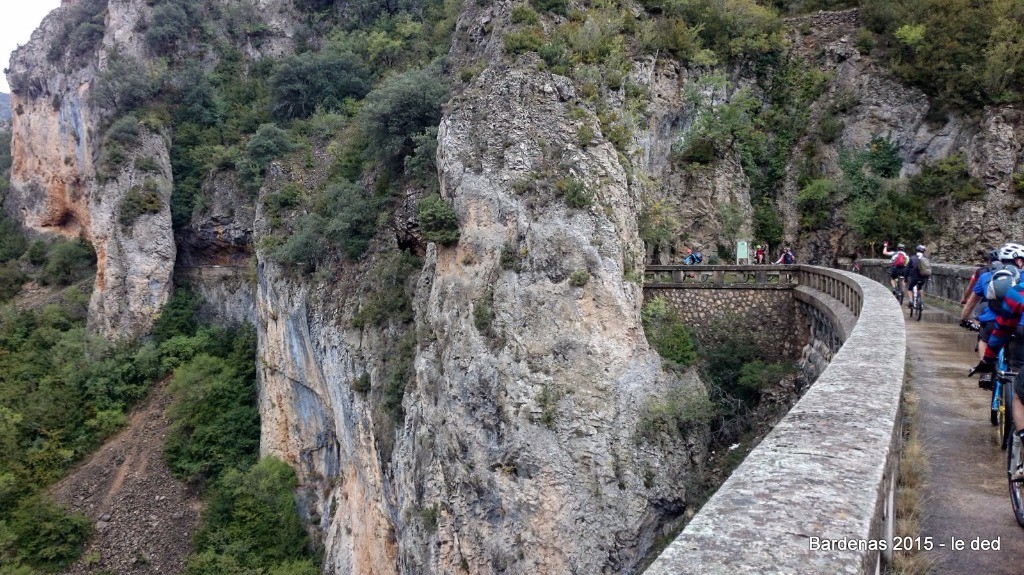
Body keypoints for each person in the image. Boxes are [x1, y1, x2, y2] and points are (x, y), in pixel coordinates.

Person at [970, 244, 1024, 480]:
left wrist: (988, 360)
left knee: (1020, 394)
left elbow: (1001, 331)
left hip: (1016, 340)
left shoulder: (1017, 291)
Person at [960, 244, 1023, 386]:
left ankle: (985, 373)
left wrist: (963, 319)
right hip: (1018, 323)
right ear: (1019, 261)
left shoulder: (987, 276)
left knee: (984, 338)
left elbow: (970, 303)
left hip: (992, 322)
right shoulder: (1022, 277)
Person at [903, 244, 929, 310]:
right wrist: (927, 277)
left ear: (916, 250)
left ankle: (911, 301)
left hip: (914, 278)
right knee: (920, 288)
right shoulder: (925, 259)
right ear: (923, 251)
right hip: (923, 278)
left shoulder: (912, 258)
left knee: (909, 289)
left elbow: (907, 269)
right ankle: (922, 303)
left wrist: (905, 278)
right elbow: (928, 269)